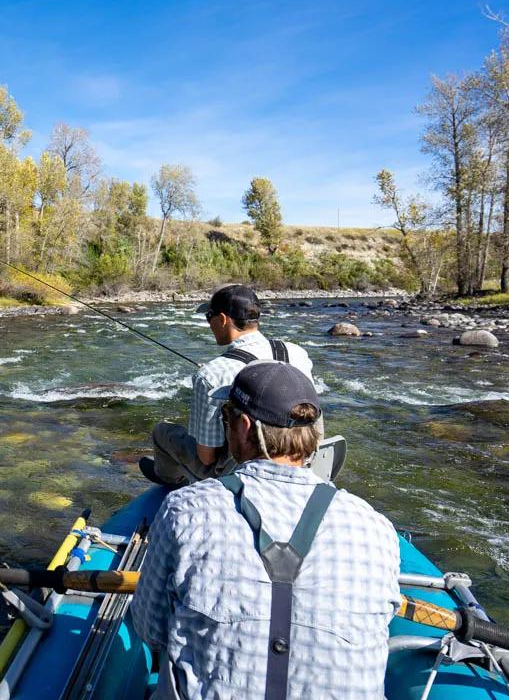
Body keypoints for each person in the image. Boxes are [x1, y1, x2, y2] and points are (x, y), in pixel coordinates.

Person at [130, 361, 401, 699]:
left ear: (243, 426)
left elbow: (149, 629)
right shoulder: (376, 527)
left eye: (225, 419)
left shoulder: (186, 508)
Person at [140, 285, 313, 486]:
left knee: (163, 432)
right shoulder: (296, 352)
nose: (209, 324)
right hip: (297, 457)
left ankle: (171, 481)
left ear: (222, 319)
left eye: (209, 317)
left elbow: (207, 457)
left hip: (239, 469)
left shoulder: (212, 373)